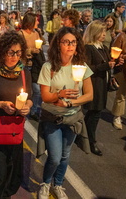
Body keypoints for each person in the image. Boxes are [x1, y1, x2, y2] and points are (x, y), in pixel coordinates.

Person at [37, 27, 93, 199]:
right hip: (53, 118)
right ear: (58, 45)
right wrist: (59, 95)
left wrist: (71, 102)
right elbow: (45, 97)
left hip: (73, 118)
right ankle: (45, 182)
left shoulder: (81, 67)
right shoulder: (49, 67)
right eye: (66, 42)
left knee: (65, 155)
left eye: (73, 42)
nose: (70, 45)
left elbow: (90, 95)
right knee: (54, 156)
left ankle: (58, 184)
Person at [0, 31, 33, 198]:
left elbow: (30, 97)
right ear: (2, 51)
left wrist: (28, 106)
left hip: (15, 129)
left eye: (18, 52)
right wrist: (0, 104)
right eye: (11, 52)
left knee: (12, 172)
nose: (15, 56)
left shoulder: (24, 72)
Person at [82, 21, 116, 156]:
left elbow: (107, 64)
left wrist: (115, 63)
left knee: (93, 114)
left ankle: (83, 135)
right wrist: (105, 66)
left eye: (105, 32)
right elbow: (87, 69)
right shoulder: (89, 48)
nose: (104, 35)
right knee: (94, 114)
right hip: (94, 85)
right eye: (101, 32)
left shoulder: (103, 47)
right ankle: (91, 141)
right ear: (94, 33)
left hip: (102, 84)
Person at [19, 12, 45, 120]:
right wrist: (30, 51)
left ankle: (33, 110)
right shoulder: (20, 34)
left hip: (35, 66)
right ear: (30, 22)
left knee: (37, 90)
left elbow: (41, 47)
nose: (38, 22)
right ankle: (20, 109)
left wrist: (39, 48)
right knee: (23, 90)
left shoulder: (36, 33)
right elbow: (18, 50)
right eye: (36, 20)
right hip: (23, 65)